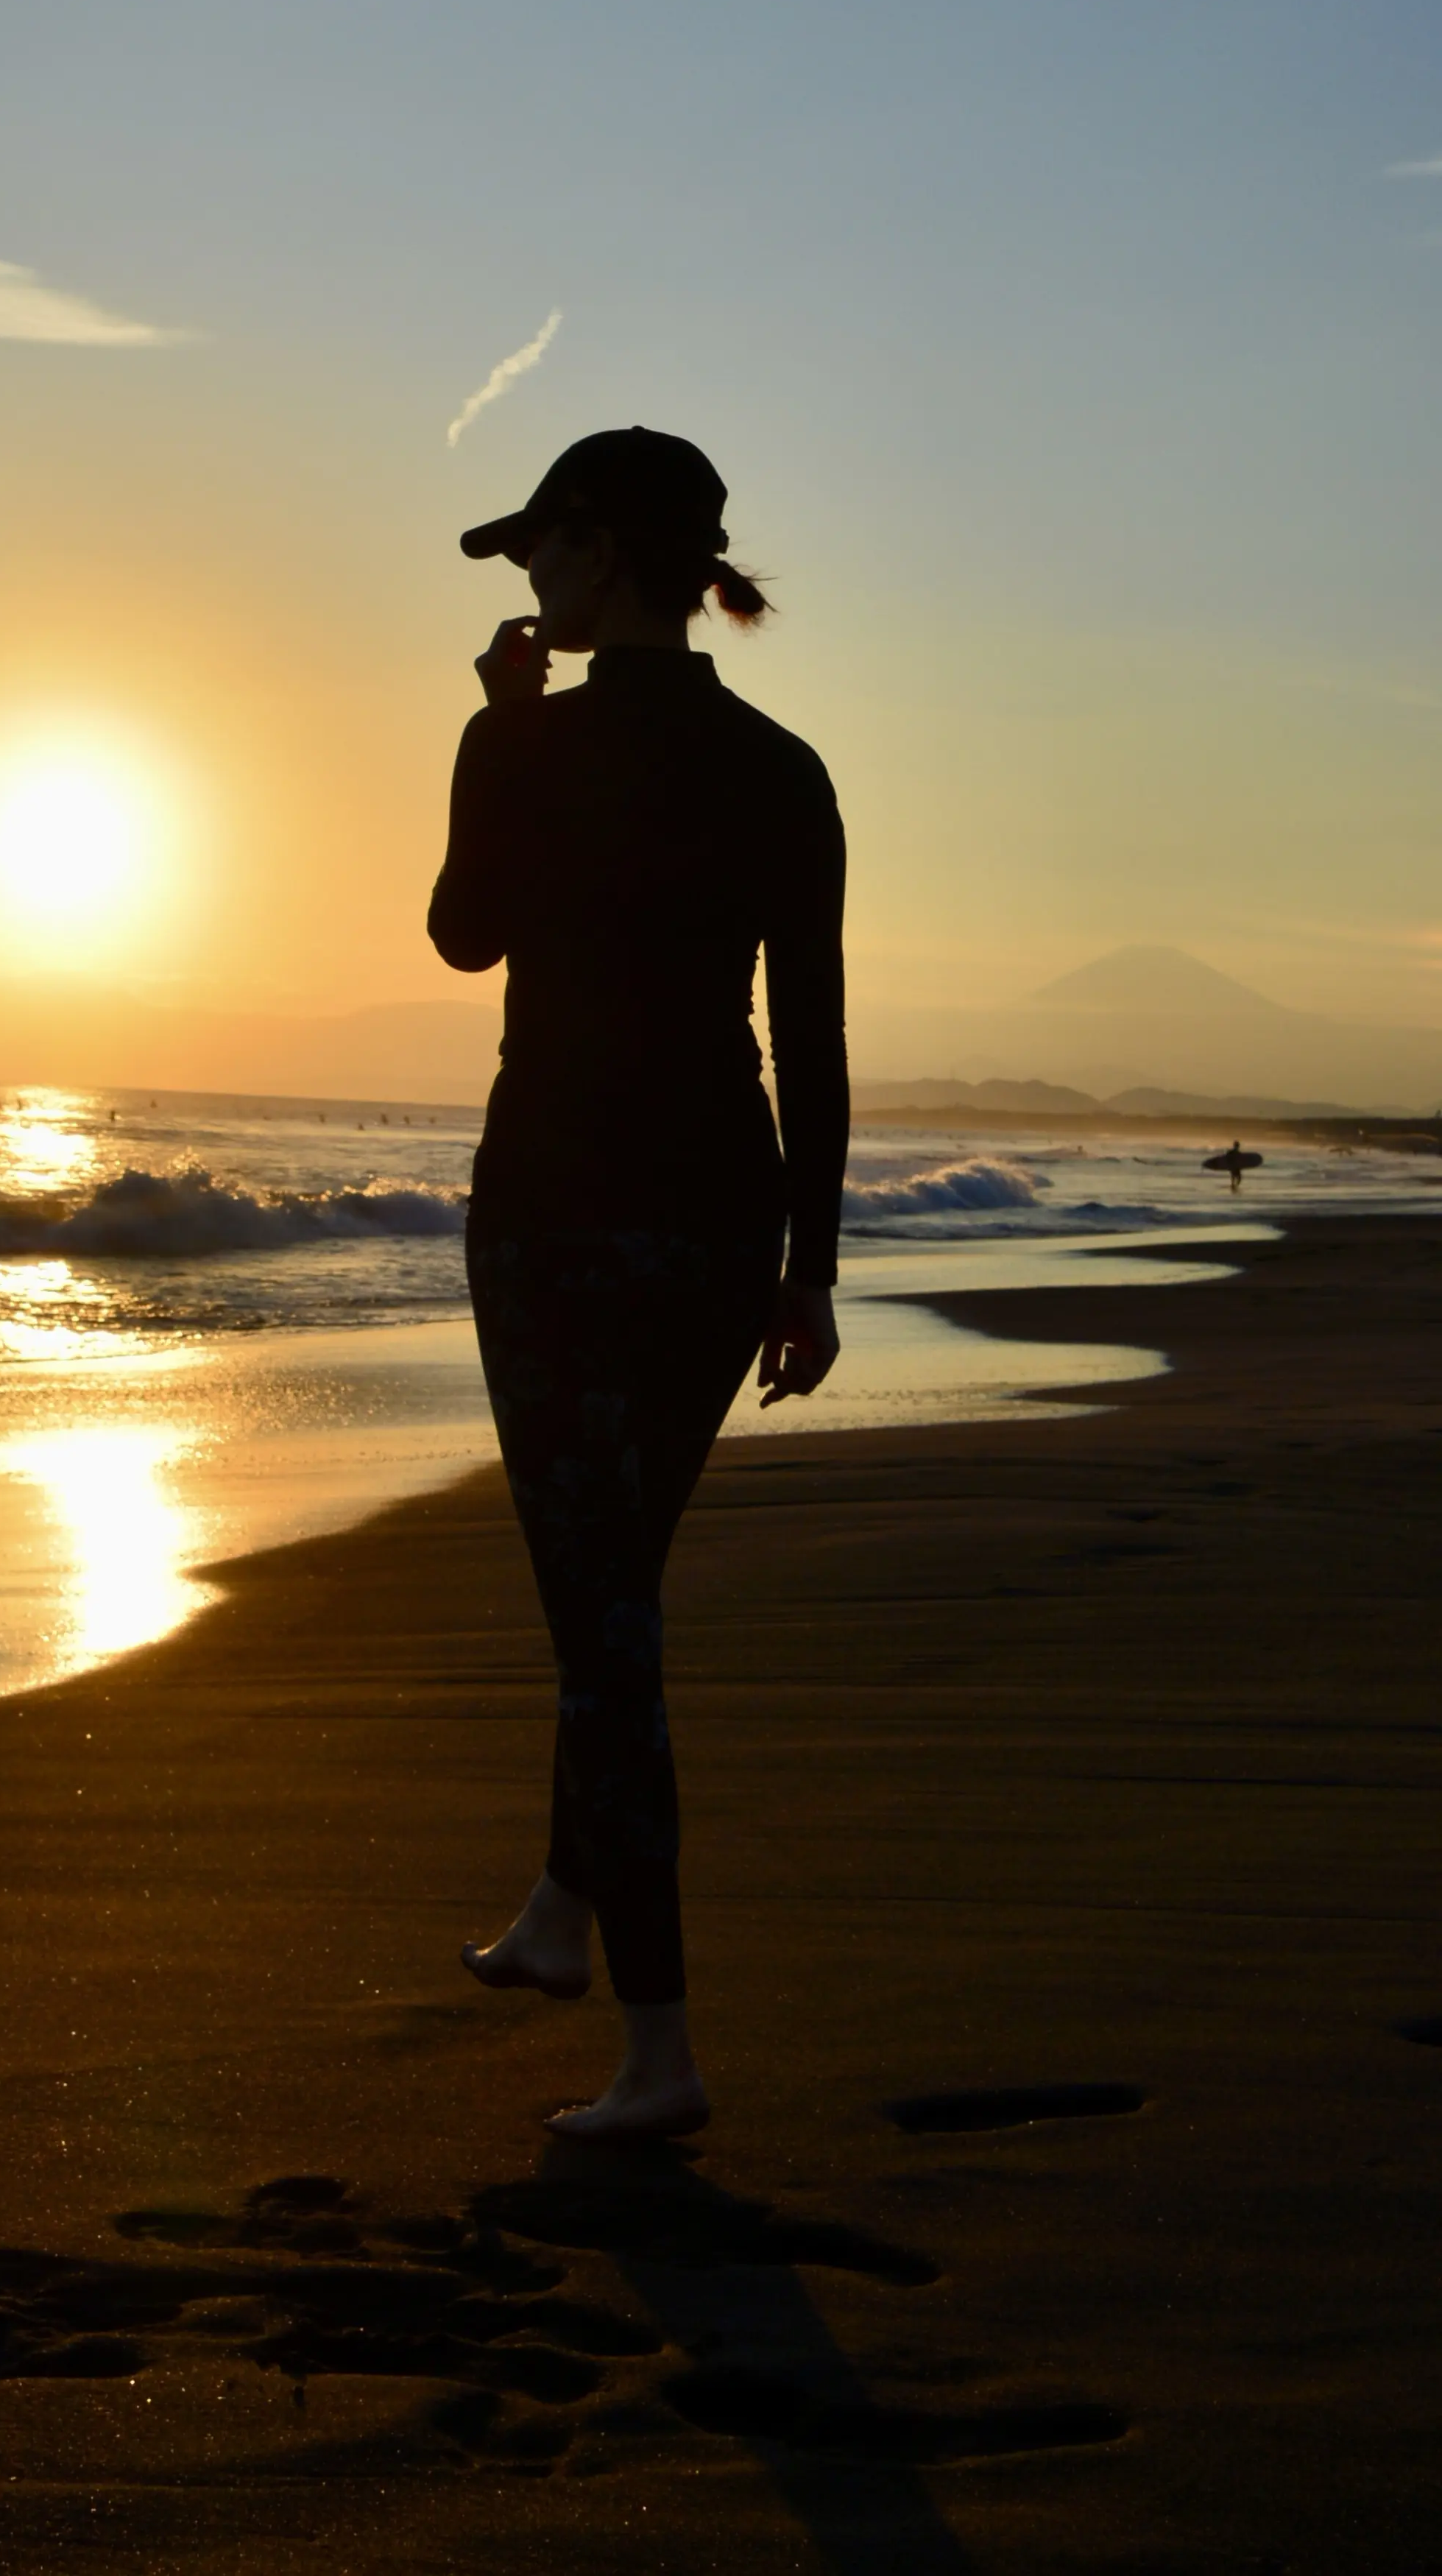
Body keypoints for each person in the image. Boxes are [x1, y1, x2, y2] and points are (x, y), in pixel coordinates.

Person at [428, 424, 847, 2145]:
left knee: (601, 1622)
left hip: (552, 1213)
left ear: (598, 558)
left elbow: (463, 936)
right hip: (716, 1217)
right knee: (607, 1583)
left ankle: (659, 2054)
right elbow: (807, 1043)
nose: (524, 577)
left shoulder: (518, 741)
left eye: (538, 548)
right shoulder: (782, 765)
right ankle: (552, 1914)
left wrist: (500, 741)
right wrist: (808, 1268)